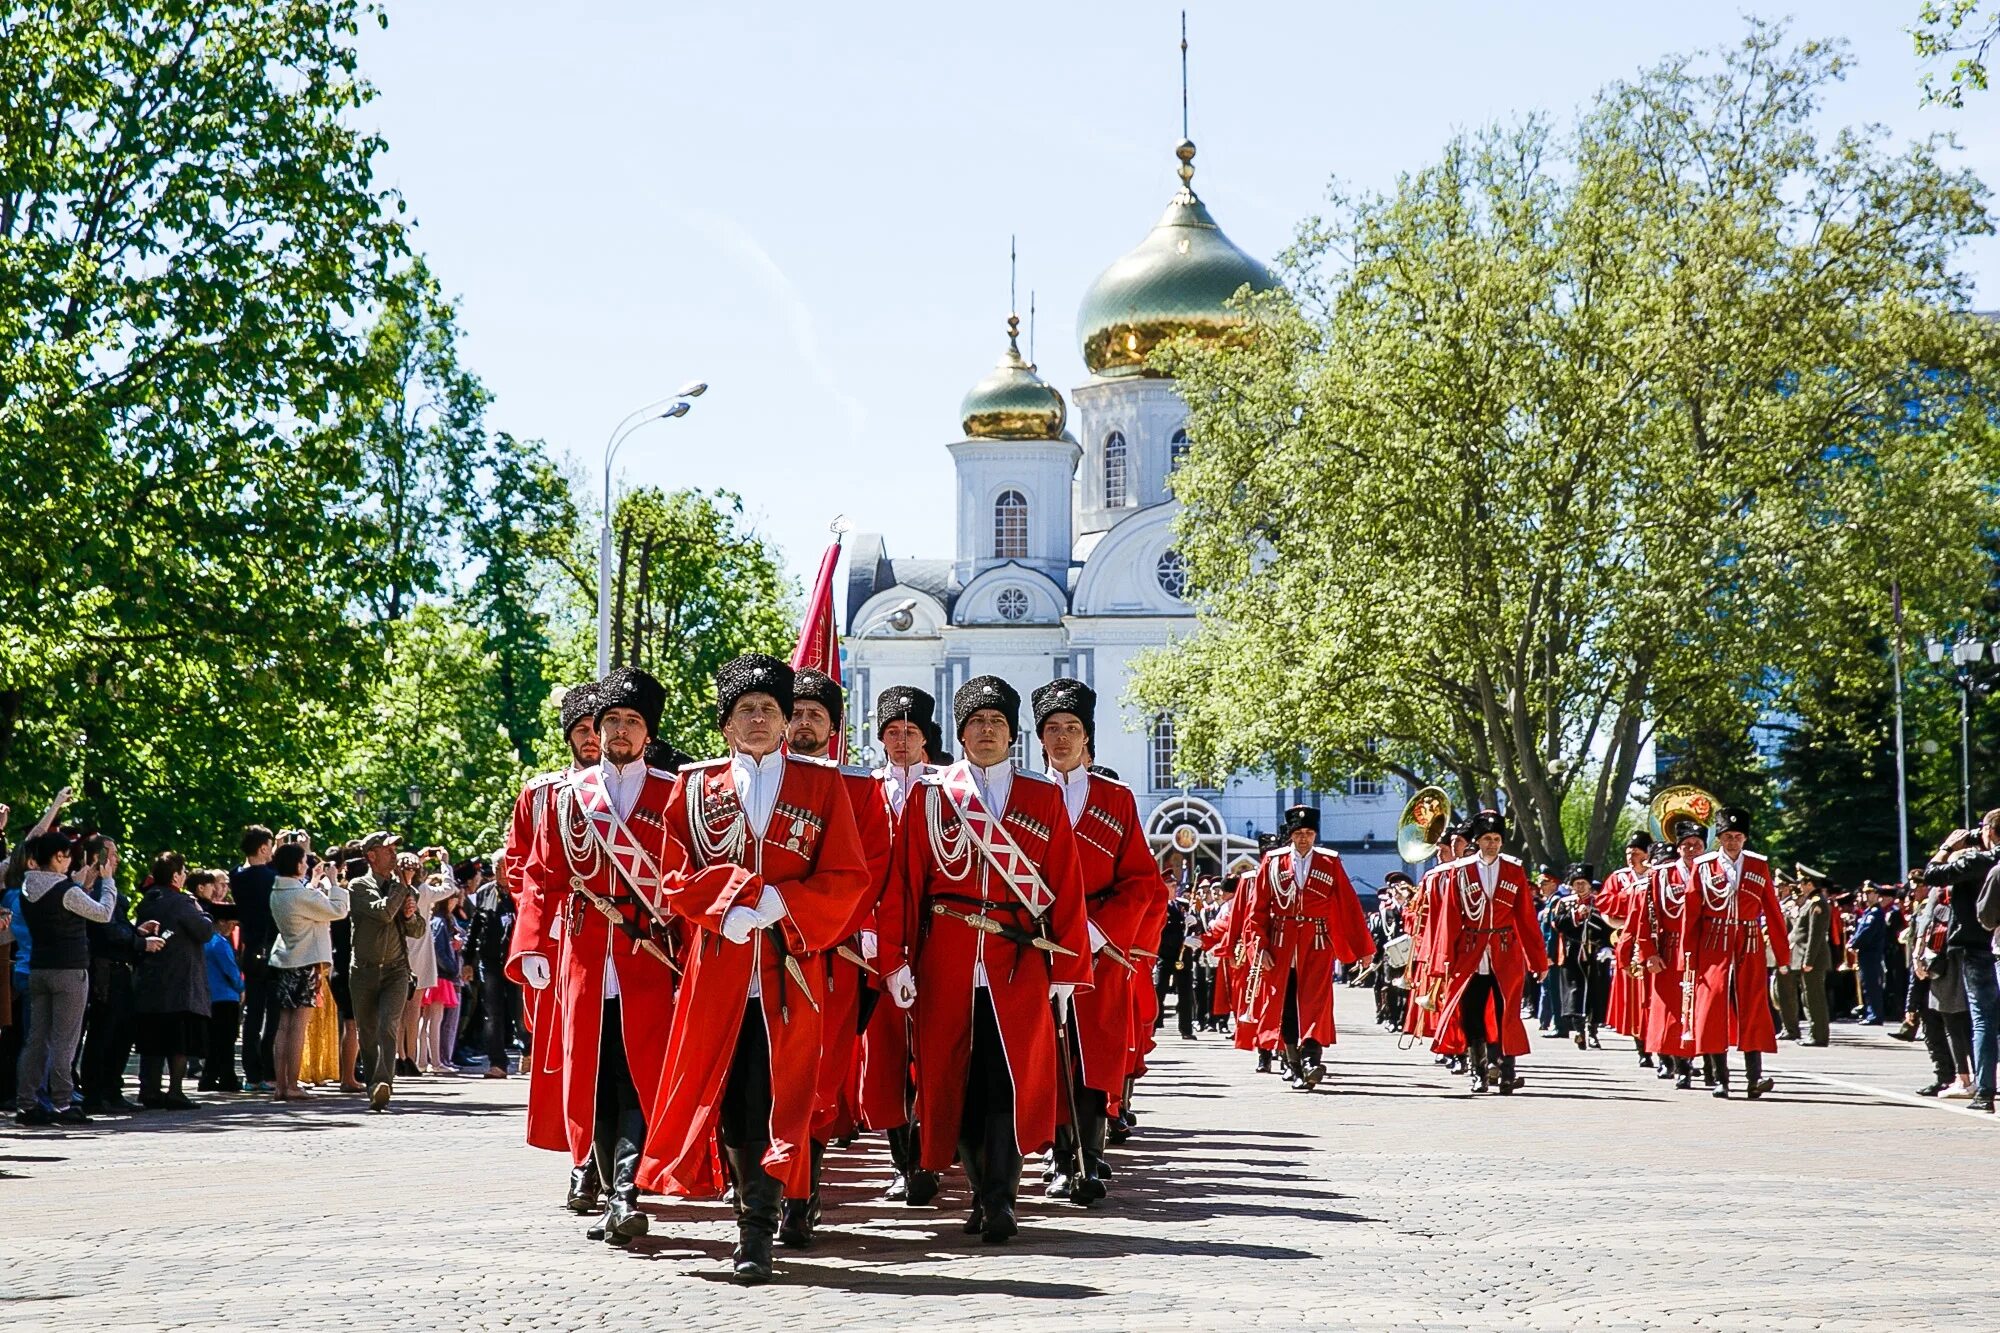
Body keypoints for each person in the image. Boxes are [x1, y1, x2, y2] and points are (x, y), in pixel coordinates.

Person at [640, 654, 869, 1284]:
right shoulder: (693, 786)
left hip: (791, 970)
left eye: (772, 708)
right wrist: (724, 908)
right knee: (736, 1100)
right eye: (748, 709)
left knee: (783, 1097)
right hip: (719, 969)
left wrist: (784, 904)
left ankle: (761, 1227)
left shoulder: (823, 786)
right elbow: (672, 874)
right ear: (726, 724)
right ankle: (748, 1213)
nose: (762, 718)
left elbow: (849, 875)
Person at [877, 675, 1093, 1245]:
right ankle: (978, 1186)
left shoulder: (1043, 797)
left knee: (1007, 1081)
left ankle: (1001, 1195)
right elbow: (905, 884)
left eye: (997, 722)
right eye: (976, 722)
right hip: (945, 958)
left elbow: (1066, 887)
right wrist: (897, 960)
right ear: (962, 733)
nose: (987, 730)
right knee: (955, 1082)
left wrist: (1068, 970)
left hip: (1017, 959)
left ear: (1013, 734)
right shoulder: (931, 794)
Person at [515, 666, 702, 1250]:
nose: (620, 732)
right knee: (591, 1076)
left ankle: (626, 1191)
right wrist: (532, 945)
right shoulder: (566, 798)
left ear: (649, 734)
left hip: (651, 955)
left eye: (633, 722)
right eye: (612, 721)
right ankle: (602, 1176)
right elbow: (541, 876)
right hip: (584, 954)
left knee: (640, 1074)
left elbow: (694, 877)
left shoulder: (676, 793)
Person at [1032, 678, 1159, 1205]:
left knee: (1091, 1057)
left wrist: (1097, 926)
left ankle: (1086, 1154)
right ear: (1040, 739)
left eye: (1072, 729)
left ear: (1088, 738)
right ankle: (1059, 1156)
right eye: (1053, 730)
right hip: (1035, 948)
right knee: (1045, 1056)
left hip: (1099, 951)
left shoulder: (1116, 799)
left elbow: (1142, 881)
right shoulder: (1019, 794)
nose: (1062, 739)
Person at [780, 667, 893, 1247]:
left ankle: (803, 1190)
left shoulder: (862, 788)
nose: (803, 724)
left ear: (833, 726)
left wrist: (817, 930)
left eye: (814, 716)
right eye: (794, 713)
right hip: (761, 953)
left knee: (820, 1078)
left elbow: (867, 876)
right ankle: (771, 1187)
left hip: (833, 954)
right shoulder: (760, 781)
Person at [501, 680, 601, 1211]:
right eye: (581, 730)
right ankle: (580, 1159)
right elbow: (521, 866)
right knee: (566, 1052)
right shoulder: (543, 794)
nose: (590, 739)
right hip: (559, 941)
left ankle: (614, 1159)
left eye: (596, 728)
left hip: (620, 940)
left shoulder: (644, 787)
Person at [860, 684, 942, 1206]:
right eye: (892, 733)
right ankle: (901, 1162)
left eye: (910, 732)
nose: (901, 741)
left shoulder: (947, 789)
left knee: (936, 1053)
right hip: (879, 938)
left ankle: (933, 1155)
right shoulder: (865, 790)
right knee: (887, 1054)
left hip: (938, 935)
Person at [1244, 805, 1375, 1090]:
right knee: (1286, 1004)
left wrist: (1363, 948)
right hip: (1281, 942)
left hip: (1316, 941)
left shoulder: (1330, 861)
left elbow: (1349, 905)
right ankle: (1293, 1064)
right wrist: (1260, 947)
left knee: (1315, 1003)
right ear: (1291, 835)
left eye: (1309, 833)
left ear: (1315, 834)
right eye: (1299, 833)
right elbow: (1259, 909)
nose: (1304, 838)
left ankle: (1311, 1060)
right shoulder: (1273, 861)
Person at [1426, 809, 1548, 1095]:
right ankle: (1479, 1071)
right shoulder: (1461, 870)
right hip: (1470, 951)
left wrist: (1538, 960)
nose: (1492, 844)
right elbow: (1450, 916)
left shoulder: (1514, 869)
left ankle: (1507, 1071)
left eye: (1496, 838)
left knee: (1507, 1013)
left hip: (1505, 951)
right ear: (1477, 841)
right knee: (1472, 1014)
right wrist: (1443, 958)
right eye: (1486, 839)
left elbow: (1527, 919)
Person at [15, 820, 128, 1124]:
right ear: (58, 857)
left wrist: (83, 880)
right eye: (65, 855)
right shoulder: (65, 890)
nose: (68, 860)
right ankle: (63, 1103)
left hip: (39, 969)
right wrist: (108, 882)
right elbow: (102, 913)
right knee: (65, 1040)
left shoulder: (27, 887)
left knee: (36, 1039)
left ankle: (27, 1103)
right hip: (69, 970)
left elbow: (65, 891)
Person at [1679, 807, 1791, 1099]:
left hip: (1749, 941)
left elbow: (1773, 911)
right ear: (1719, 838)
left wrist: (1782, 955)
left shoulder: (1758, 865)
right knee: (1713, 1007)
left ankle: (1754, 1078)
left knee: (1752, 1007)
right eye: (1727, 836)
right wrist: (1687, 956)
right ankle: (1720, 1078)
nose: (1732, 842)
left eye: (1738, 836)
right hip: (1713, 943)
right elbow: (1690, 913)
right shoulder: (1703, 866)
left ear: (1745, 838)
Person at [1917, 809, 2000, 1114]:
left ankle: (1985, 1090)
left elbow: (1933, 875)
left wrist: (1947, 847)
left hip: (1978, 946)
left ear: (1990, 831)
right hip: (1985, 947)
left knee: (1984, 1020)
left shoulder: (1979, 861)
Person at [131, 852, 216, 1110]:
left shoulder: (148, 901)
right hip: (180, 983)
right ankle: (176, 1091)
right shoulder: (181, 902)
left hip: (151, 980)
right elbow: (203, 931)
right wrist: (205, 914)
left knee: (153, 1040)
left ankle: (150, 1090)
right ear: (176, 876)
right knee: (178, 1041)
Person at [348, 831, 425, 1111]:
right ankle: (373, 1087)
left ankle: (384, 1084)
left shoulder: (404, 888)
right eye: (388, 850)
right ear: (371, 855)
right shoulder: (359, 886)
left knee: (387, 1026)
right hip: (363, 971)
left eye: (395, 850)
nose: (395, 855)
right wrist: (402, 890)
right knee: (367, 1032)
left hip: (396, 971)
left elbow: (417, 930)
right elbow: (382, 913)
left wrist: (411, 915)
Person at [267, 843, 349, 1101]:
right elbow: (339, 910)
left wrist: (313, 882)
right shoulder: (301, 895)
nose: (306, 864)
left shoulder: (279, 892)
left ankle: (281, 1084)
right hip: (306, 962)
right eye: (303, 861)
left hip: (285, 960)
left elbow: (306, 903)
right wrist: (335, 883)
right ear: (295, 864)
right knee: (298, 1026)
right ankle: (292, 1084)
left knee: (283, 1026)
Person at [1635, 831, 1699, 1087]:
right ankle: (1676, 1061)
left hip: (1701, 950)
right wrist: (1648, 952)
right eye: (1686, 845)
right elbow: (1643, 919)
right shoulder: (1660, 878)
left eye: (1697, 845)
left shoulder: (1712, 873)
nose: (1691, 850)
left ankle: (1703, 1060)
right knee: (1673, 1010)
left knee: (1697, 1010)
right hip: (1670, 948)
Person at [1911, 880, 1975, 1098]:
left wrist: (1918, 956)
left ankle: (1964, 1078)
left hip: (1948, 962)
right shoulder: (1985, 877)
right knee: (1979, 1023)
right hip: (1980, 955)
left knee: (1953, 1024)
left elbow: (1927, 926)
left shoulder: (1942, 890)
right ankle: (1983, 1078)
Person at [231, 825, 281, 1093]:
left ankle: (251, 1072)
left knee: (252, 1013)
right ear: (263, 848)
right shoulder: (270, 877)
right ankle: (269, 1069)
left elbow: (242, 868)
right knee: (272, 1014)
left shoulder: (237, 876)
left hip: (250, 949)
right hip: (272, 947)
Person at [1552, 865, 1613, 1050]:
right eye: (1576, 884)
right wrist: (1575, 916)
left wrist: (1607, 946)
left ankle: (1593, 1030)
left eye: (1583, 883)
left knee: (1596, 991)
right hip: (1573, 953)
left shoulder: (1600, 902)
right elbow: (1558, 924)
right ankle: (1579, 1030)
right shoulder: (1564, 903)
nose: (1580, 887)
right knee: (1574, 991)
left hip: (1595, 953)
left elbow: (1609, 926)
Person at [195, 873, 244, 1093]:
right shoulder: (220, 944)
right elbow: (232, 972)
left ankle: (209, 1076)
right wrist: (242, 987)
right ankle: (227, 1077)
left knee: (214, 1042)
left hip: (210, 997)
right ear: (222, 922)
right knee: (226, 1042)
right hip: (226, 998)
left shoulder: (205, 943)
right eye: (232, 924)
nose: (233, 928)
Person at [1791, 873, 1834, 1046]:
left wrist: (1808, 960)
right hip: (1805, 956)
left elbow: (1815, 935)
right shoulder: (1811, 902)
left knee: (1814, 997)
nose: (1800, 886)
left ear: (1810, 884)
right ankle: (1814, 1032)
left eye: (1802, 882)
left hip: (1813, 959)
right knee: (1808, 997)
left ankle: (1818, 1035)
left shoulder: (1817, 903)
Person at [1849, 882, 1889, 1024]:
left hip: (1871, 953)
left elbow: (1866, 932)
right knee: (1867, 984)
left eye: (1869, 893)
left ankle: (1875, 1015)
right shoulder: (1868, 912)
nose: (1866, 896)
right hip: (1866, 953)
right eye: (1865, 893)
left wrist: (1854, 944)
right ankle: (1870, 1012)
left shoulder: (1875, 913)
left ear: (1877, 895)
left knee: (1872, 985)